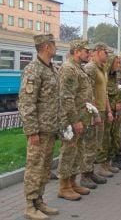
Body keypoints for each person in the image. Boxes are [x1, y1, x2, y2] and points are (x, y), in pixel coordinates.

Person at [19, 34, 59, 220]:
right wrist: (32, 131)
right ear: (46, 47)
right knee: (34, 167)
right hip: (39, 130)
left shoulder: (52, 69)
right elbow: (27, 103)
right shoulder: (33, 70)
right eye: (53, 44)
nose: (55, 47)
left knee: (44, 168)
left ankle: (39, 201)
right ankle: (29, 205)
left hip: (50, 128)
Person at [57, 40, 94, 201]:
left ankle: (72, 183)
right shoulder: (68, 69)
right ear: (77, 51)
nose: (89, 54)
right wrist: (75, 120)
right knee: (68, 152)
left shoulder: (79, 68)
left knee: (78, 151)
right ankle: (64, 187)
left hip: (80, 117)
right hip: (70, 120)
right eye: (86, 51)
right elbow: (66, 98)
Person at [83, 42, 113, 184]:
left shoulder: (102, 69)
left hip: (101, 110)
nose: (107, 55)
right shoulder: (90, 68)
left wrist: (108, 111)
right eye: (106, 53)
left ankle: (91, 172)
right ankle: (85, 176)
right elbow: (88, 94)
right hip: (93, 112)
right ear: (98, 51)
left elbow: (104, 92)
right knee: (90, 144)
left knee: (96, 144)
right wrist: (94, 114)